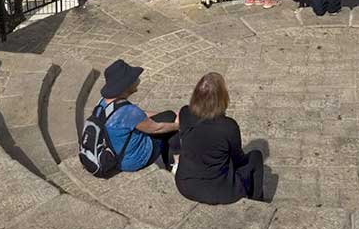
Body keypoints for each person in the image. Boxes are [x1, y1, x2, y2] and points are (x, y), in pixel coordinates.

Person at [175, 72, 265, 204]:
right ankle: (257, 201)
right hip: (219, 191)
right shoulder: (228, 126)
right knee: (256, 156)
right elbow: (238, 159)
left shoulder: (185, 112)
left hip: (186, 185)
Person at [94, 59, 180, 172]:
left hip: (114, 150)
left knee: (167, 116)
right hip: (131, 161)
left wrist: (161, 115)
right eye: (134, 78)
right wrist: (178, 125)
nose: (137, 79)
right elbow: (156, 129)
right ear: (126, 85)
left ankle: (172, 163)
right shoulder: (128, 112)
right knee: (169, 125)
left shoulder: (104, 103)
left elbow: (140, 115)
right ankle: (173, 164)